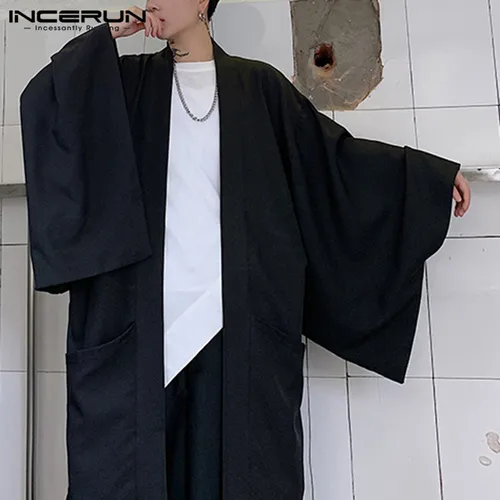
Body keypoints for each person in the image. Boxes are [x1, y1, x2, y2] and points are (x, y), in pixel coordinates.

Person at [19, 0, 471, 499]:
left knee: (241, 474)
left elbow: (331, 164)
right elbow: (48, 101)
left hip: (233, 319)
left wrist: (428, 180)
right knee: (127, 472)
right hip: (138, 322)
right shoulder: (124, 84)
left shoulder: (258, 87)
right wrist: (105, 37)